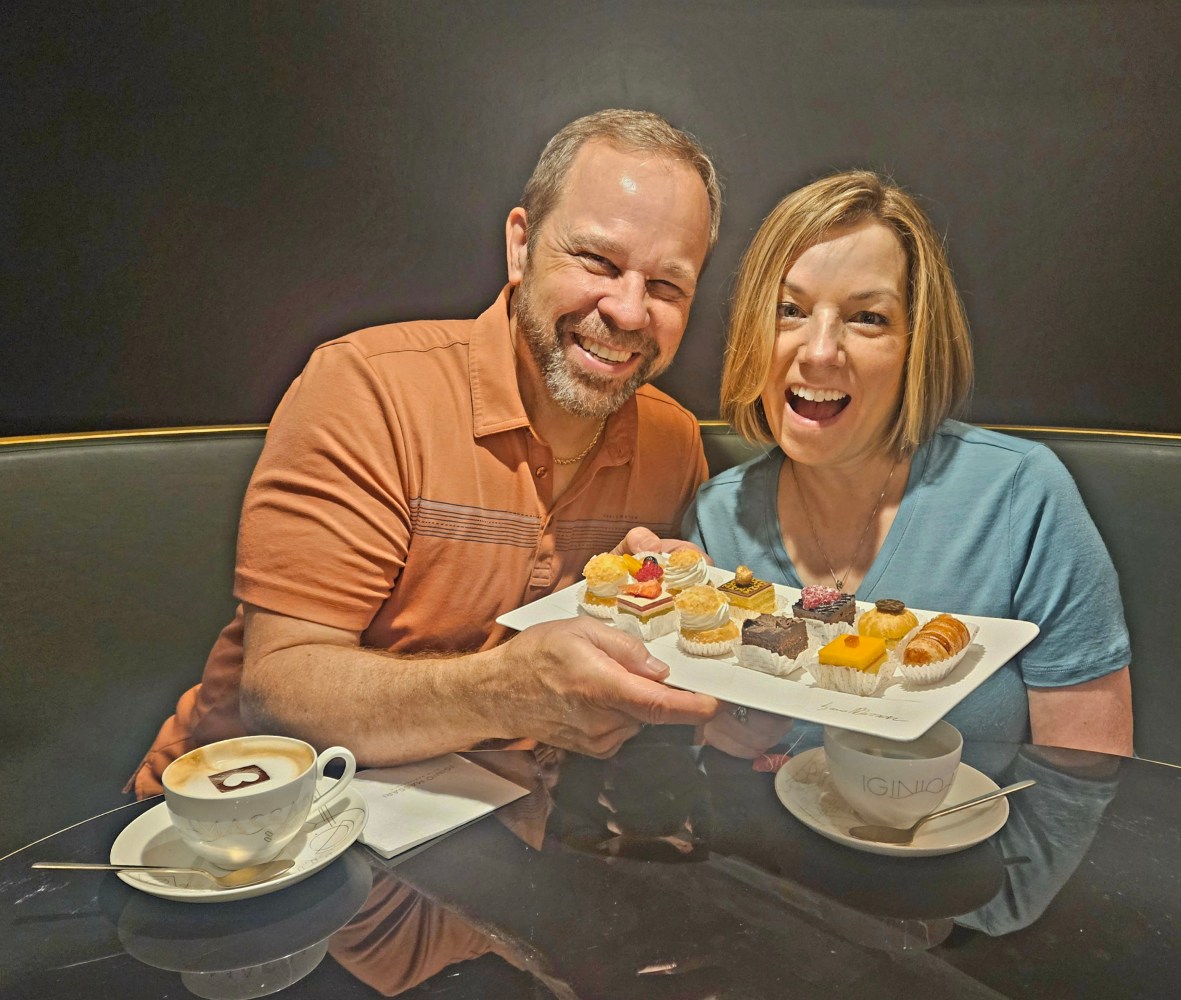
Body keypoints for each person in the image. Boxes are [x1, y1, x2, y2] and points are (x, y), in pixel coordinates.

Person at [128, 109, 726, 798]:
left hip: (503, 840)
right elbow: (281, 691)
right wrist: (506, 691)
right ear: (521, 244)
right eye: (597, 262)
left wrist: (673, 617)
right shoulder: (368, 388)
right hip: (244, 832)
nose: (627, 311)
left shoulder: (673, 440)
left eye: (665, 286)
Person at [686, 170, 1133, 760]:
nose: (819, 352)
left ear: (916, 346)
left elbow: (1085, 789)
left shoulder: (1022, 498)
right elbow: (690, 769)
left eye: (867, 317)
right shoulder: (717, 517)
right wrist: (717, 737)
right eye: (788, 309)